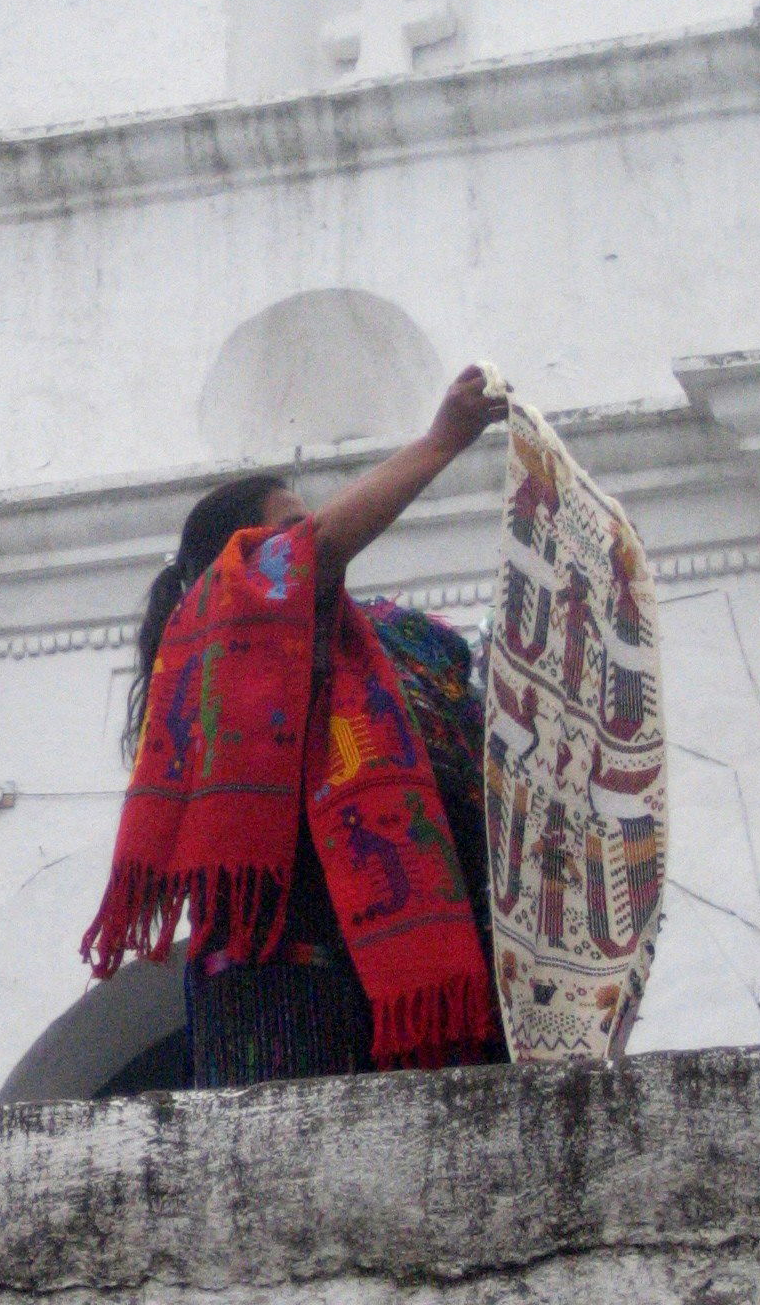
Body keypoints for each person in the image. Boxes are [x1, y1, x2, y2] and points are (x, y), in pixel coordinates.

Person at [82, 367, 510, 1084]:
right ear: (237, 560)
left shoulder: (370, 647)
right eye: (289, 529)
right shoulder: (233, 617)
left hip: (376, 969)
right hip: (283, 988)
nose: (308, 541)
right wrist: (443, 441)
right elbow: (320, 552)